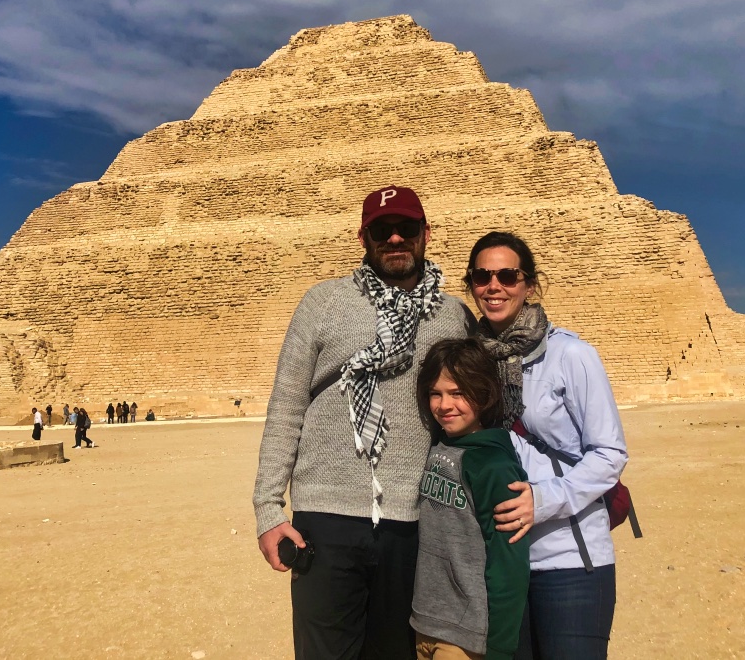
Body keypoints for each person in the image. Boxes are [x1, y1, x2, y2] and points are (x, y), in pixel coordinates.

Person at [253, 185, 473, 660]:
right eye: (381, 230)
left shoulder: (454, 315)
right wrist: (268, 510)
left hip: (412, 520)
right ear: (363, 238)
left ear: (426, 234)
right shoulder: (323, 302)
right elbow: (287, 407)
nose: (394, 238)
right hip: (325, 519)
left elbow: (479, 411)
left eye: (406, 228)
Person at [466, 231, 628, 660]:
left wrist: (542, 500)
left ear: (530, 285)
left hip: (568, 561)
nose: (494, 286)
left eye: (507, 276)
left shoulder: (570, 355)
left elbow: (610, 453)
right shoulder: (470, 363)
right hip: (501, 561)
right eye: (482, 277)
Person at [412, 338, 530, 660]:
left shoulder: (494, 467)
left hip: (465, 636)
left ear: (483, 392)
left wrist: (500, 649)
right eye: (435, 393)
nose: (444, 405)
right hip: (425, 623)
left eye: (458, 392)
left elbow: (509, 563)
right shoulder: (438, 446)